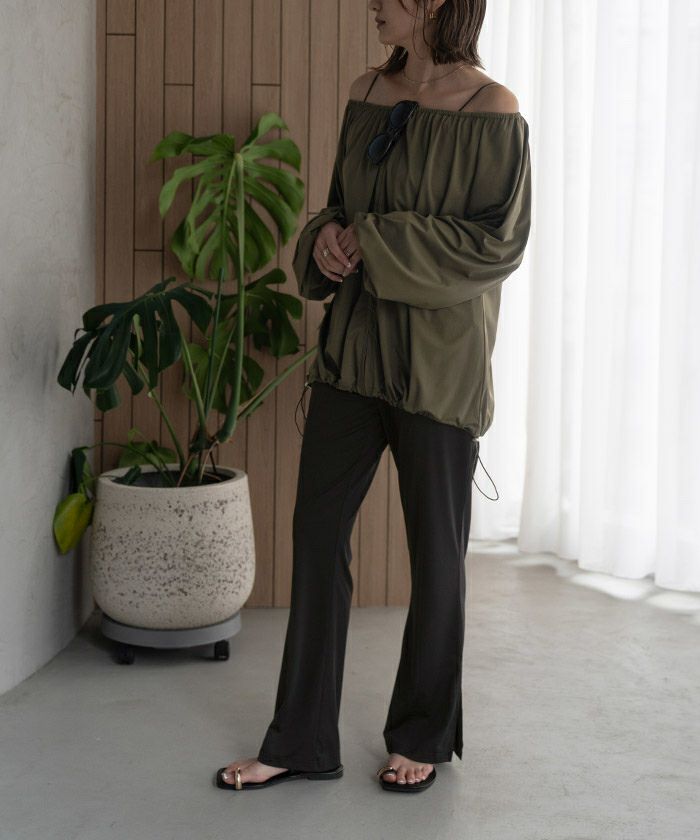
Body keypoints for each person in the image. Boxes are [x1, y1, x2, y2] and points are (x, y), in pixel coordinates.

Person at [216, 0, 531, 793]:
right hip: (353, 354)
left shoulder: (494, 109)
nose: (372, 5)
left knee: (436, 555)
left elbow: (498, 243)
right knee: (317, 536)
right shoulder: (366, 92)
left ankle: (421, 733)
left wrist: (379, 240)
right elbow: (341, 204)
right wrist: (325, 237)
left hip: (438, 367)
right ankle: (300, 740)